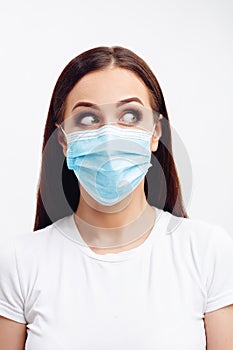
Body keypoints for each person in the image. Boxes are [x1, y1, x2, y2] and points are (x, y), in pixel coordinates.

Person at [0, 46, 233, 350]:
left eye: (130, 115)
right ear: (63, 141)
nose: (109, 136)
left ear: (155, 133)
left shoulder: (206, 251)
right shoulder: (21, 262)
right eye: (87, 119)